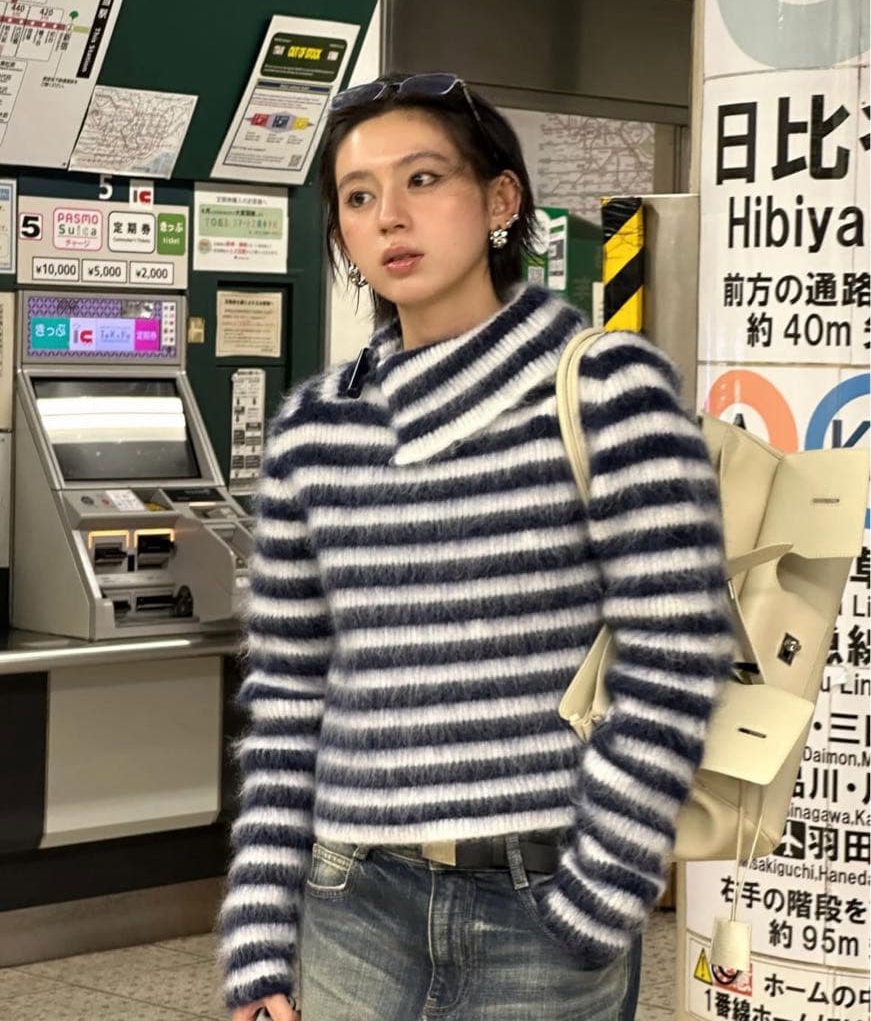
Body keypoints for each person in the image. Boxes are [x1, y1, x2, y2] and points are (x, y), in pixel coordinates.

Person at [218, 72, 734, 1021]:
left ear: (500, 201)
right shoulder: (314, 430)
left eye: (423, 180)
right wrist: (258, 933)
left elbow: (676, 645)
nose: (389, 217)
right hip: (348, 896)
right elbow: (289, 692)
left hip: (540, 901)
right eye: (358, 197)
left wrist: (603, 887)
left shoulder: (607, 390)